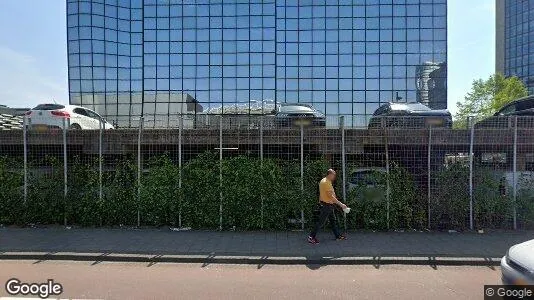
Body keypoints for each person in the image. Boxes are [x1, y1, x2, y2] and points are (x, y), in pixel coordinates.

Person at [307, 169, 347, 244]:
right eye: (333, 175)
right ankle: (311, 237)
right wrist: (341, 205)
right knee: (320, 222)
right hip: (327, 205)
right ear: (330, 174)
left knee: (333, 221)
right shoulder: (326, 182)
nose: (334, 177)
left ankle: (337, 236)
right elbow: (330, 196)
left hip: (328, 205)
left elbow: (321, 193)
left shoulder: (324, 181)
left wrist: (320, 201)